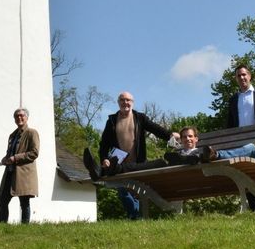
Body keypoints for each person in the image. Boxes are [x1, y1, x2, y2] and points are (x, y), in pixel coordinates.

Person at [98, 91, 179, 219]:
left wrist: (169, 135)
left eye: (128, 100)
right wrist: (103, 159)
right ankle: (134, 215)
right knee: (123, 191)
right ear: (118, 102)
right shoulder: (112, 121)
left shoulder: (139, 118)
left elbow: (154, 128)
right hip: (119, 163)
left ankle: (135, 216)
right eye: (122, 100)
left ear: (132, 103)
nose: (125, 102)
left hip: (138, 162)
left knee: (137, 191)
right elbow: (104, 144)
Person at [84, 126, 208, 180]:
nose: (187, 139)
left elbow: (206, 159)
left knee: (162, 161)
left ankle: (105, 171)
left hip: (187, 174)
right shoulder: (177, 152)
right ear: (181, 140)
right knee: (136, 166)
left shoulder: (200, 152)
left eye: (190, 136)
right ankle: (105, 170)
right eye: (184, 137)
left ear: (196, 139)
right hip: (168, 174)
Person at [0, 107, 39, 224]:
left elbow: (34, 153)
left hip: (24, 173)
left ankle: (25, 227)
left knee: (24, 202)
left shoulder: (32, 133)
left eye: (22, 115)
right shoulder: (12, 135)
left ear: (27, 117)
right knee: (2, 199)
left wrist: (15, 158)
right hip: (10, 171)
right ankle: (2, 225)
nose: (19, 118)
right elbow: (10, 152)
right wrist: (6, 158)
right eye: (16, 116)